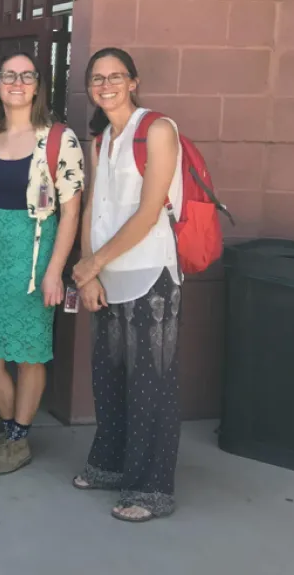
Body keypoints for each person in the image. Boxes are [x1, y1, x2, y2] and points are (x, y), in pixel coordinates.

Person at [0, 52, 84, 474]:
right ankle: (12, 429)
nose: (16, 82)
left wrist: (55, 271)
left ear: (37, 86)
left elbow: (72, 212)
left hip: (36, 258)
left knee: (30, 355)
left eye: (26, 75)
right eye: (8, 75)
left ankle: (17, 438)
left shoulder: (59, 139)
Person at [71, 47, 184, 523]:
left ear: (133, 82)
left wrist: (93, 262)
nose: (106, 84)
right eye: (97, 78)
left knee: (150, 384)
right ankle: (112, 464)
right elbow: (94, 205)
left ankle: (150, 488)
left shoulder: (157, 129)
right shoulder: (102, 139)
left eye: (116, 76)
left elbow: (149, 211)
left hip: (149, 275)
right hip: (107, 276)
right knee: (110, 376)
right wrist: (88, 268)